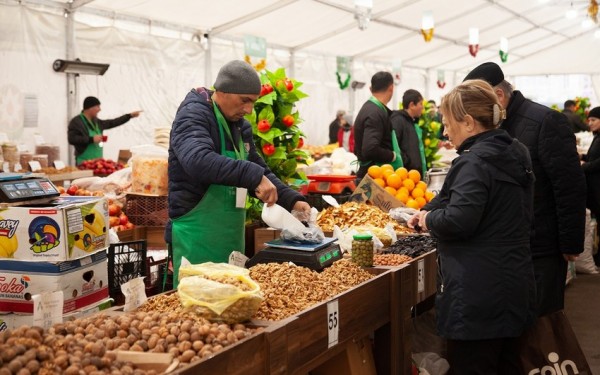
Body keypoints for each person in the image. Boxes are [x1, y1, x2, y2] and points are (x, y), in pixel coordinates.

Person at [408, 79, 536, 374]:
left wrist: (428, 220)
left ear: (467, 122)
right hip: (514, 283)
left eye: (446, 122)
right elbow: (459, 198)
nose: (444, 130)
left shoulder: (474, 162)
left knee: (473, 365)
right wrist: (429, 208)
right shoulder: (516, 151)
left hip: (479, 294)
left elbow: (458, 220)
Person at [167, 60, 310, 287]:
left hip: (230, 235)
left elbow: (256, 166)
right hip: (197, 235)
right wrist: (251, 175)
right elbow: (197, 160)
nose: (249, 110)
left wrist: (291, 199)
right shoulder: (193, 114)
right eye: (245, 101)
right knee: (195, 308)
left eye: (253, 102)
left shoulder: (239, 125)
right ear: (222, 91)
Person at [464, 62, 586, 316]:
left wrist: (571, 243)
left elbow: (569, 185)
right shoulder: (493, 125)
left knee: (541, 324)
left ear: (498, 95)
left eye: (479, 103)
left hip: (542, 245)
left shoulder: (545, 121)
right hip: (508, 245)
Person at [354, 71, 400, 179]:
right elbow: (370, 149)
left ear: (370, 89)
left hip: (372, 174)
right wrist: (393, 156)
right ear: (391, 88)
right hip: (374, 178)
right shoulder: (375, 112)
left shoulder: (369, 108)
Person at [67, 96, 141, 164]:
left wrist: (129, 116)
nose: (100, 109)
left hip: (98, 163)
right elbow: (72, 139)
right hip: (83, 163)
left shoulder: (96, 121)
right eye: (98, 106)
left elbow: (112, 123)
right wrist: (91, 139)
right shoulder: (76, 122)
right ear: (90, 108)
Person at [390, 89, 426, 176]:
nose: (422, 107)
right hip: (405, 175)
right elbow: (393, 146)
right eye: (421, 104)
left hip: (413, 175)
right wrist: (408, 162)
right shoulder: (398, 120)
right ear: (412, 105)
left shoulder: (411, 122)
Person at [582, 106, 600, 218]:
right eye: (589, 120)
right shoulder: (597, 136)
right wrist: (582, 156)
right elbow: (592, 156)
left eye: (593, 120)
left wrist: (584, 166)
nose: (590, 123)